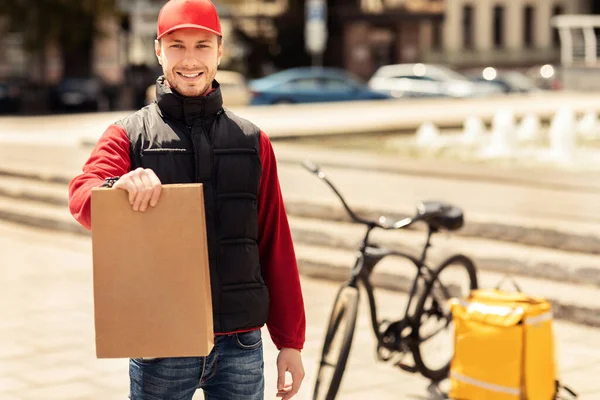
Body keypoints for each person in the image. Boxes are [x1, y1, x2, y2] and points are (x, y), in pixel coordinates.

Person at [68, 1, 306, 399]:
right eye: (177, 46)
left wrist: (291, 341)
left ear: (219, 50)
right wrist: (117, 186)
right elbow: (81, 195)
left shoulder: (253, 142)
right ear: (158, 50)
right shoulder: (128, 135)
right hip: (162, 343)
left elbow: (274, 241)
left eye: (202, 45)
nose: (190, 59)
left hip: (242, 345)